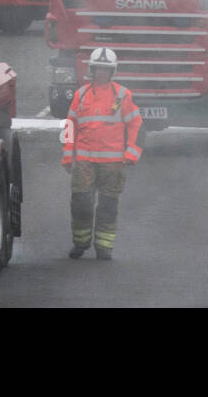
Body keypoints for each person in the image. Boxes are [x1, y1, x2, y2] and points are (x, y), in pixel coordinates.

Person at [62, 47, 142, 260]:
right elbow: (70, 126)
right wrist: (68, 155)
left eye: (105, 70)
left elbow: (135, 124)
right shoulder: (81, 94)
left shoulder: (123, 95)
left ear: (112, 72)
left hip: (113, 163)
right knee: (80, 203)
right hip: (84, 161)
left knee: (108, 205)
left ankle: (104, 247)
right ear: (92, 70)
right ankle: (80, 243)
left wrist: (132, 151)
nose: (101, 73)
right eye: (98, 69)